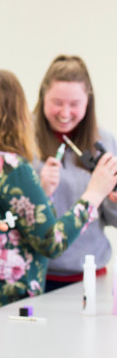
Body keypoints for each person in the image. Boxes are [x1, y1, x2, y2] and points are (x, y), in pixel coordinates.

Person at [0, 69, 117, 311]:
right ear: (12, 112)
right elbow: (52, 243)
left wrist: (42, 190)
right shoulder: (12, 167)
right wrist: (94, 193)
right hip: (2, 301)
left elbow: (6, 217)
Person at [33, 56, 117, 292]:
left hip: (91, 277)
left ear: (88, 102)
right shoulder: (23, 141)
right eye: (57, 102)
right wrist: (40, 190)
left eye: (75, 104)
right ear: (42, 97)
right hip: (39, 278)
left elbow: (113, 219)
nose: (65, 113)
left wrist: (112, 198)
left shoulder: (105, 141)